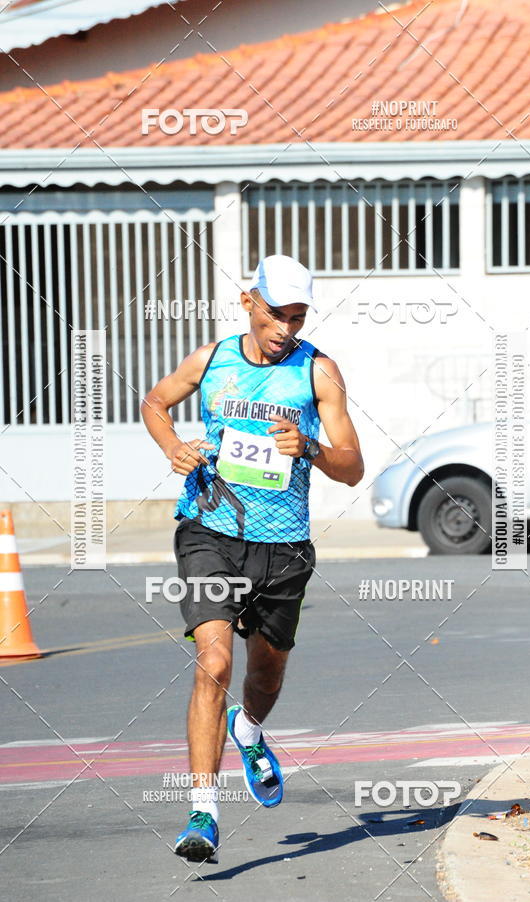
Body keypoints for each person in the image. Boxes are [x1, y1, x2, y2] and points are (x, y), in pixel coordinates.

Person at [141, 254, 363, 863]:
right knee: (213, 660)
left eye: (298, 317)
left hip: (285, 546)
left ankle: (249, 730)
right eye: (277, 315)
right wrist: (173, 448)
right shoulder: (212, 360)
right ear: (249, 301)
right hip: (209, 529)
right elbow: (155, 402)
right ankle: (203, 812)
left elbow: (353, 468)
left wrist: (312, 447)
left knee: (264, 675)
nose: (286, 329)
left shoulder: (318, 372)